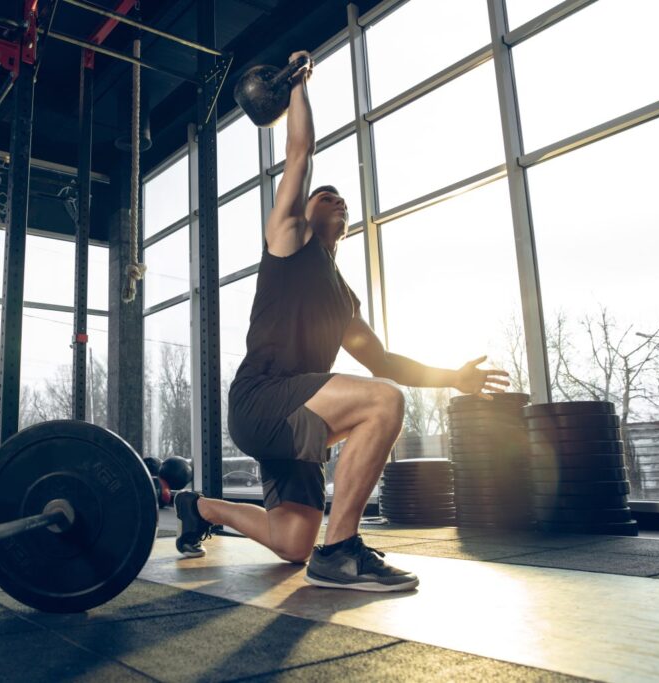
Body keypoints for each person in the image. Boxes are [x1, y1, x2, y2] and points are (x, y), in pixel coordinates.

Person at [173, 50, 510, 592]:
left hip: (301, 416)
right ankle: (342, 551)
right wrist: (299, 84)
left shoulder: (344, 299)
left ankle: (203, 508)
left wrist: (453, 377)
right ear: (304, 210)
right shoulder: (287, 244)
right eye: (322, 194)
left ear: (347, 227)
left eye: (341, 199)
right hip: (264, 399)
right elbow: (300, 152)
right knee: (383, 401)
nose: (333, 197)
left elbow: (384, 360)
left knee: (291, 543)